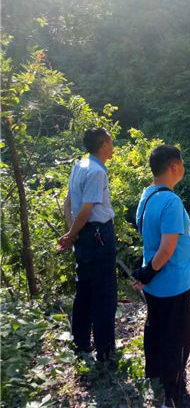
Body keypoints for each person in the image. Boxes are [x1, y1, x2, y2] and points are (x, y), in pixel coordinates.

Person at [132, 145, 190, 408]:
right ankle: (175, 396)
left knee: (156, 331)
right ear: (174, 167)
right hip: (173, 283)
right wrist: (148, 273)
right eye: (182, 164)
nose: (183, 168)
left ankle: (156, 380)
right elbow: (166, 249)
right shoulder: (171, 202)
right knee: (178, 339)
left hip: (156, 286)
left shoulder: (147, 195)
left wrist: (145, 274)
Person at [60, 128, 117, 362]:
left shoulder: (79, 165)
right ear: (103, 145)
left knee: (84, 288)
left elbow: (68, 202)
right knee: (104, 292)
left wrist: (72, 231)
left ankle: (81, 341)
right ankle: (105, 350)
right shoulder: (96, 172)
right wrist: (72, 234)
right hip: (98, 234)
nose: (113, 146)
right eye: (111, 142)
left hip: (84, 234)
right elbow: (86, 209)